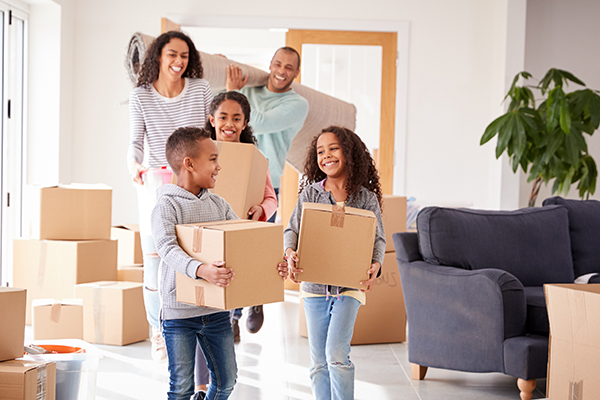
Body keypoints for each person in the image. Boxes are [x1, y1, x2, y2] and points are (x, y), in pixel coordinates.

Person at [151, 126, 289, 400]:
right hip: (179, 313)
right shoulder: (167, 205)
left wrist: (274, 264)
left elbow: (242, 243)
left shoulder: (219, 204)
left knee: (226, 381)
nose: (219, 166)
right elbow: (167, 247)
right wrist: (202, 270)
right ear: (189, 164)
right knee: (181, 388)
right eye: (213, 159)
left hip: (215, 310)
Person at [127, 30, 212, 364]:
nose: (179, 62)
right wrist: (133, 163)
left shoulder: (200, 89)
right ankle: (158, 332)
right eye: (172, 55)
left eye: (185, 56)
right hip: (155, 186)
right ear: (158, 57)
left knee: (192, 258)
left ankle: (195, 331)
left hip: (193, 186)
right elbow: (135, 141)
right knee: (155, 265)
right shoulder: (141, 96)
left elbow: (212, 134)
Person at [283, 126, 386, 400]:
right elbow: (292, 229)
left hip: (349, 288)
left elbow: (378, 239)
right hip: (315, 289)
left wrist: (376, 264)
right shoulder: (310, 195)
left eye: (333, 148)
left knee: (336, 355)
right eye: (320, 151)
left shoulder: (365, 198)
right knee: (318, 363)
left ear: (349, 153)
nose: (326, 155)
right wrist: (290, 250)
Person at [225, 46, 309, 332]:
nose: (281, 71)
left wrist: (235, 92)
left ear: (296, 73)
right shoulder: (250, 90)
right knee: (230, 251)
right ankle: (233, 318)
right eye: (277, 64)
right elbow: (222, 115)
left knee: (254, 252)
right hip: (234, 177)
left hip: (266, 183)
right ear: (270, 64)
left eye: (288, 67)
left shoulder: (297, 104)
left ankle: (255, 299)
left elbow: (257, 122)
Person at [205, 90, 278, 345]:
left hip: (240, 232)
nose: (229, 124)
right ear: (212, 119)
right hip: (209, 233)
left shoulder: (253, 158)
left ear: (244, 123)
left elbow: (271, 198)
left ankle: (241, 312)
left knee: (233, 284)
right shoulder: (200, 153)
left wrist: (262, 210)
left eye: (237, 118)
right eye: (223, 117)